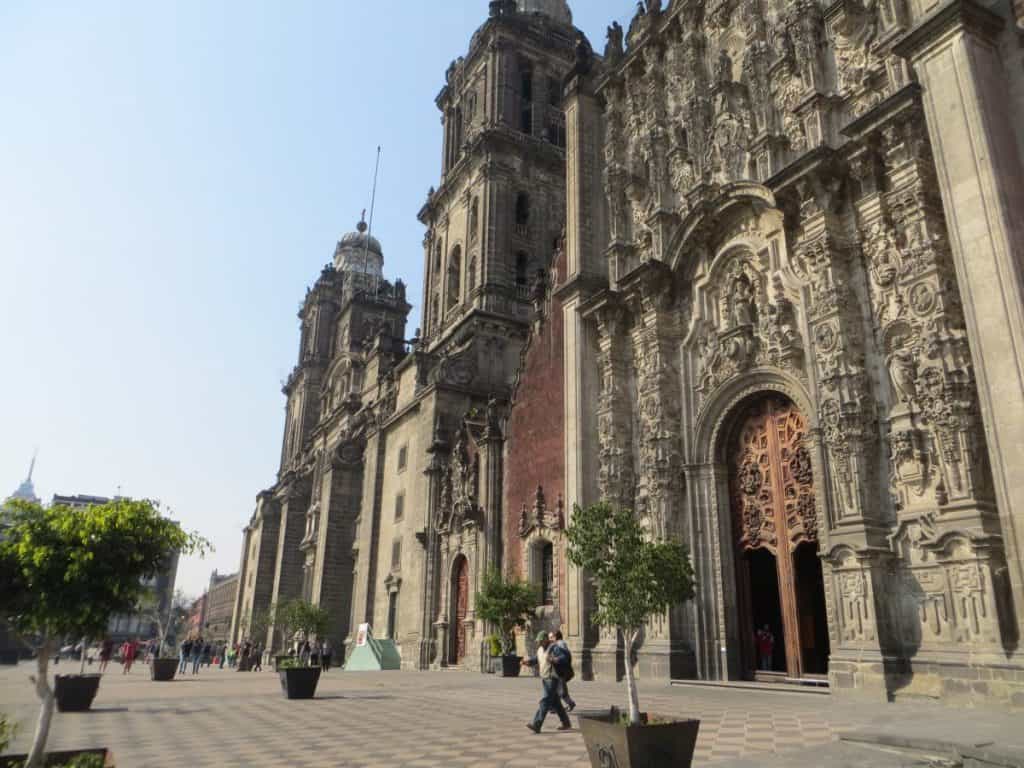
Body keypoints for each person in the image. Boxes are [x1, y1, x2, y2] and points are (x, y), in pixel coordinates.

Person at [522, 632, 572, 734]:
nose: (539, 643)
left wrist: (554, 659)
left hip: (552, 678)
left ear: (545, 640)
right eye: (538, 641)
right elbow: (537, 659)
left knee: (545, 701)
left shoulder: (554, 648)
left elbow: (564, 657)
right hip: (545, 679)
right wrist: (527, 662)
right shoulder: (540, 649)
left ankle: (537, 724)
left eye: (541, 641)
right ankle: (566, 723)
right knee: (556, 703)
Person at [549, 631, 576, 712]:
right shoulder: (557, 644)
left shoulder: (560, 644)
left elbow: (565, 656)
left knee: (561, 691)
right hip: (559, 671)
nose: (549, 639)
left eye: (551, 637)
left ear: (555, 637)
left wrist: (555, 659)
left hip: (560, 671)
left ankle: (569, 704)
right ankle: (554, 707)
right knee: (555, 689)